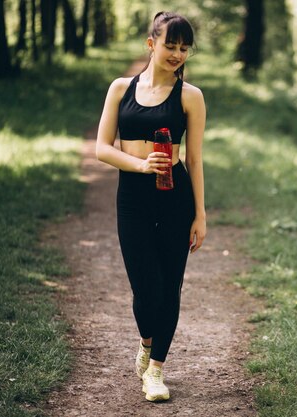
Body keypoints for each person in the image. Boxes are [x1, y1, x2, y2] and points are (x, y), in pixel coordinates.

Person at [95, 11, 206, 402]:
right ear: (151, 44)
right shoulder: (121, 88)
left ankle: (156, 370)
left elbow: (194, 159)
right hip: (133, 198)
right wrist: (140, 164)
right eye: (170, 45)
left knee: (169, 286)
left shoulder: (190, 96)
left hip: (174, 197)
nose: (177, 53)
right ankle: (146, 343)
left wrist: (200, 215)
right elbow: (102, 148)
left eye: (184, 48)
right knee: (145, 287)